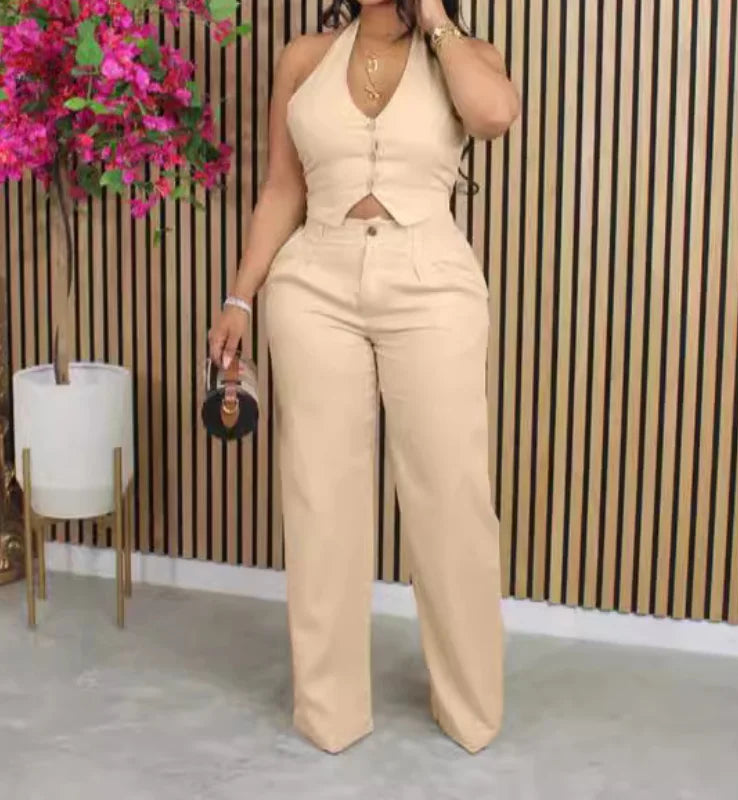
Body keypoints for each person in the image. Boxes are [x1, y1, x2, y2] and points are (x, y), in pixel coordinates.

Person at [208, 0, 520, 754]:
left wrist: (434, 16)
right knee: (320, 497)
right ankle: (330, 712)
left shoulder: (466, 54)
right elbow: (282, 190)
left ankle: (471, 709)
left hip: (432, 279)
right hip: (314, 279)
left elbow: (493, 116)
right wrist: (240, 296)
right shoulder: (303, 58)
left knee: (451, 496)